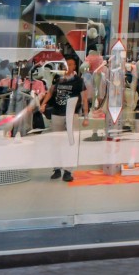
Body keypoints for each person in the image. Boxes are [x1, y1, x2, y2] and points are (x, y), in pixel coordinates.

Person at [39, 54, 89, 182]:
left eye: (71, 64)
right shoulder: (59, 79)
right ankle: (56, 168)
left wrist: (86, 116)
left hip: (71, 115)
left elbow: (84, 99)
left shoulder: (78, 81)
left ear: (75, 66)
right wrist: (44, 103)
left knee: (70, 144)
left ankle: (67, 171)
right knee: (56, 143)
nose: (69, 67)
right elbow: (50, 91)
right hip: (57, 113)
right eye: (67, 64)